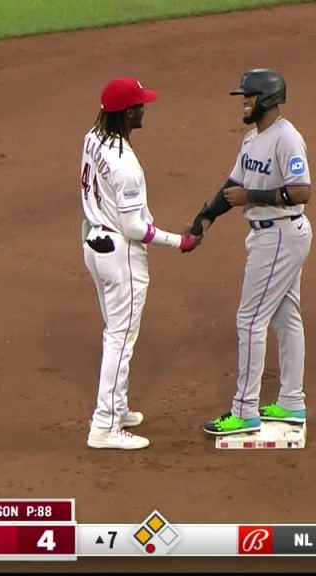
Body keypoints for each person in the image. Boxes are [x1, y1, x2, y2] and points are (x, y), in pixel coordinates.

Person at [187, 69, 314, 436]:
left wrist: (252, 199)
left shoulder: (287, 138)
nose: (243, 101)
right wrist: (205, 217)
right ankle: (291, 402)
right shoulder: (251, 139)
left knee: (250, 319)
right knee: (285, 317)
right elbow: (234, 184)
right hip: (274, 235)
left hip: (279, 235)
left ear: (268, 99)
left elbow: (302, 190)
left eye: (249, 96)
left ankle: (244, 410)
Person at [80, 77, 200, 450]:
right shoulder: (126, 166)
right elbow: (134, 227)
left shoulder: (92, 137)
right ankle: (105, 426)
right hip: (121, 254)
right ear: (128, 113)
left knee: (114, 330)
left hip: (93, 243)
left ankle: (117, 406)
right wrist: (178, 241)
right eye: (141, 105)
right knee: (120, 337)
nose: (145, 108)